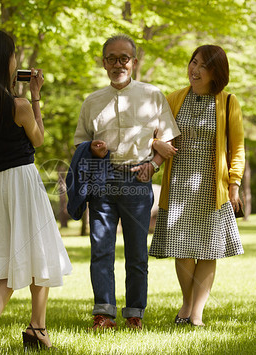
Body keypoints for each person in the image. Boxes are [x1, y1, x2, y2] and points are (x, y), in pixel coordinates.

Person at [0, 29, 72, 353]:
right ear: (3, 61)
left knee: (18, 257)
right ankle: (23, 328)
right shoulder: (19, 106)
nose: (15, 60)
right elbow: (38, 140)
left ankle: (21, 329)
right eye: (12, 55)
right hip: (22, 183)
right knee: (38, 252)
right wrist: (36, 96)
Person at [73, 34, 180, 330]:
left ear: (134, 62)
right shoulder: (92, 102)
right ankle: (104, 314)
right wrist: (92, 148)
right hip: (103, 180)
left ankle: (135, 313)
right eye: (112, 58)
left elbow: (169, 137)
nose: (118, 64)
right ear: (103, 62)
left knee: (136, 252)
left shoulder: (152, 95)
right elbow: (80, 144)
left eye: (124, 58)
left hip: (137, 180)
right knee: (101, 249)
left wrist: (154, 166)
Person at [149, 44, 245, 327]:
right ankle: (187, 303)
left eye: (203, 65)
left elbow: (237, 147)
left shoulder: (228, 102)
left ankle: (197, 314)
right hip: (179, 182)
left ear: (216, 72)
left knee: (208, 249)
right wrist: (156, 143)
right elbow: (149, 134)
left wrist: (235, 184)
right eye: (193, 62)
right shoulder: (173, 99)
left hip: (212, 186)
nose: (195, 69)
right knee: (183, 248)